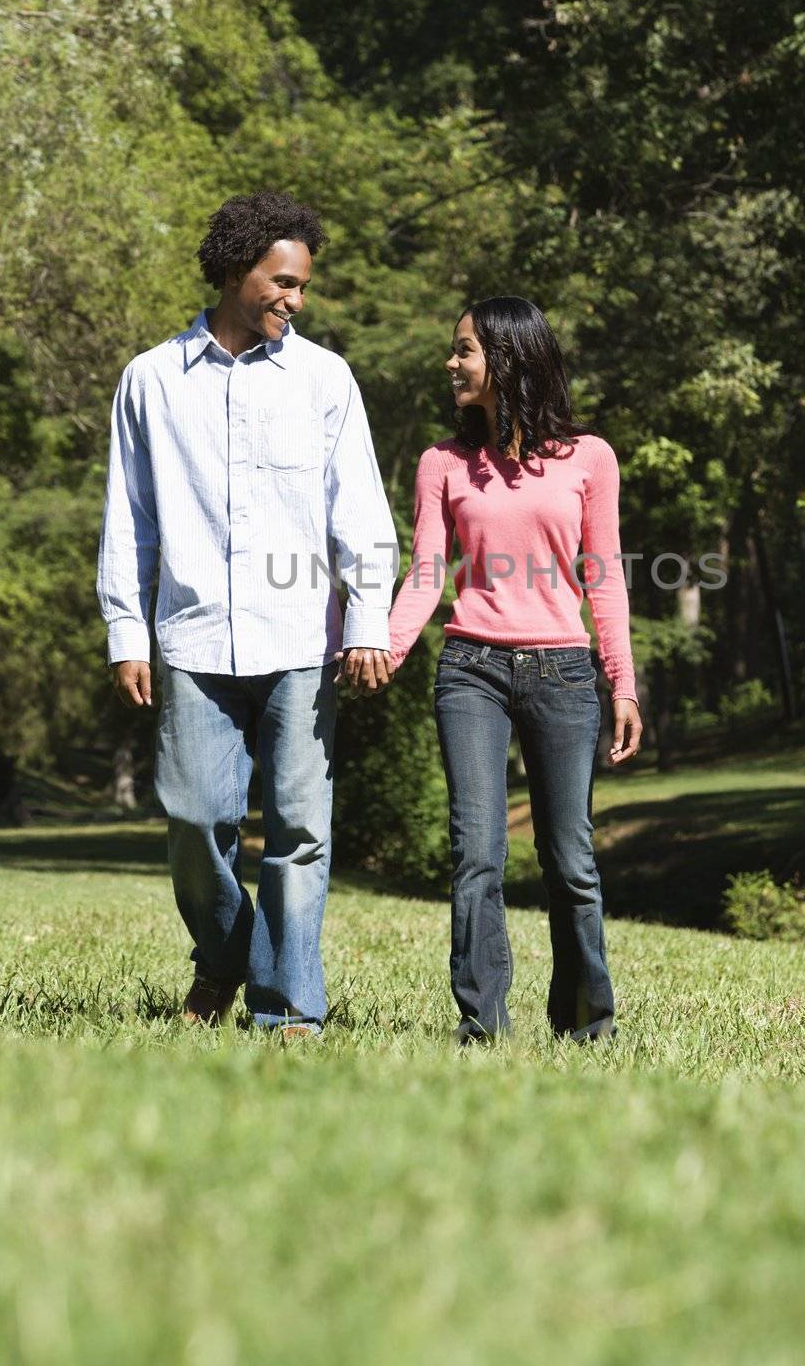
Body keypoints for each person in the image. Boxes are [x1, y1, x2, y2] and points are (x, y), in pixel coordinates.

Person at [97, 190, 396, 1037]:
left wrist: (368, 618)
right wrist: (128, 630)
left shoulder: (325, 378)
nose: (295, 300)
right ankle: (226, 956)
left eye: (302, 286)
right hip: (190, 637)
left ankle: (289, 1007)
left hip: (302, 638)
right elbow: (131, 517)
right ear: (234, 271)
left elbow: (359, 512)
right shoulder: (151, 379)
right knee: (195, 818)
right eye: (283, 282)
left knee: (300, 832)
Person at [387, 295, 642, 1043]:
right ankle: (481, 1027)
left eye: (463, 350)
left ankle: (585, 1026)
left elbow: (605, 575)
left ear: (507, 357)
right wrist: (390, 647)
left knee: (569, 861)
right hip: (470, 670)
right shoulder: (443, 462)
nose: (451, 363)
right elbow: (426, 572)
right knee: (476, 855)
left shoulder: (589, 458)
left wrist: (621, 681)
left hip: (563, 673)